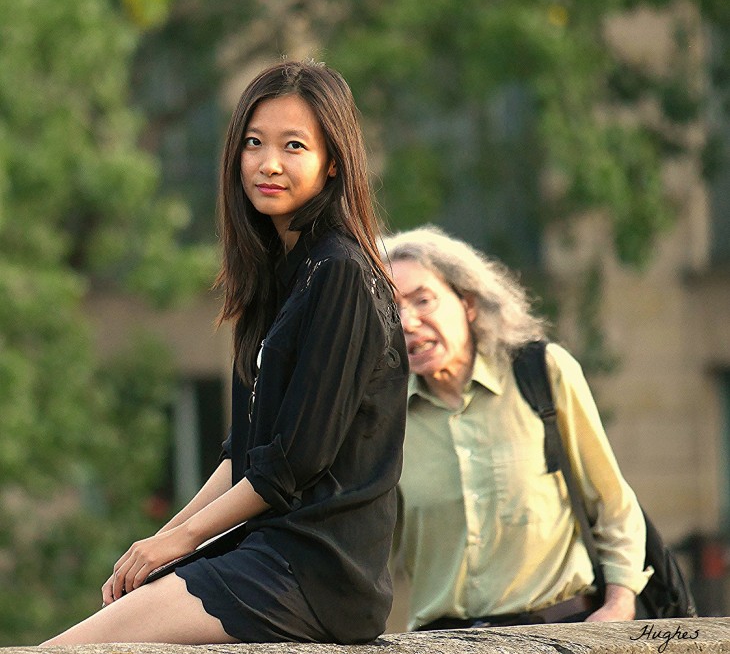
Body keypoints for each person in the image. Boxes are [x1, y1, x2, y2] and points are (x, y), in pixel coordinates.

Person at [41, 60, 408, 646]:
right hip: (262, 554)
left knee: (69, 650)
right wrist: (161, 539)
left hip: (315, 573)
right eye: (254, 143)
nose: (268, 163)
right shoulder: (278, 277)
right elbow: (247, 454)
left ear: (333, 161)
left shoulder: (340, 273)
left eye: (294, 146)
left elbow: (292, 461)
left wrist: (182, 542)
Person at [381, 225, 651, 631]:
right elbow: (367, 550)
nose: (408, 321)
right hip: (442, 642)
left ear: (467, 302)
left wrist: (617, 606)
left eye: (423, 300)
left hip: (562, 631)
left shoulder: (543, 373)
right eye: (389, 308)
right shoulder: (384, 419)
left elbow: (612, 505)